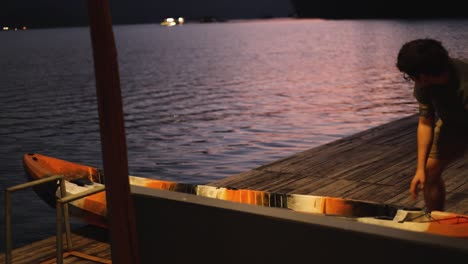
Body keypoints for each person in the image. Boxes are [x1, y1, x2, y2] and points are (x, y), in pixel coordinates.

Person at [396, 38, 468, 212]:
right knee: (428, 175)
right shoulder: (424, 84)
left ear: (422, 75)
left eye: (409, 75)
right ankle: (435, 222)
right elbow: (425, 122)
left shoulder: (465, 84)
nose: (410, 79)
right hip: (453, 124)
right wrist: (420, 169)